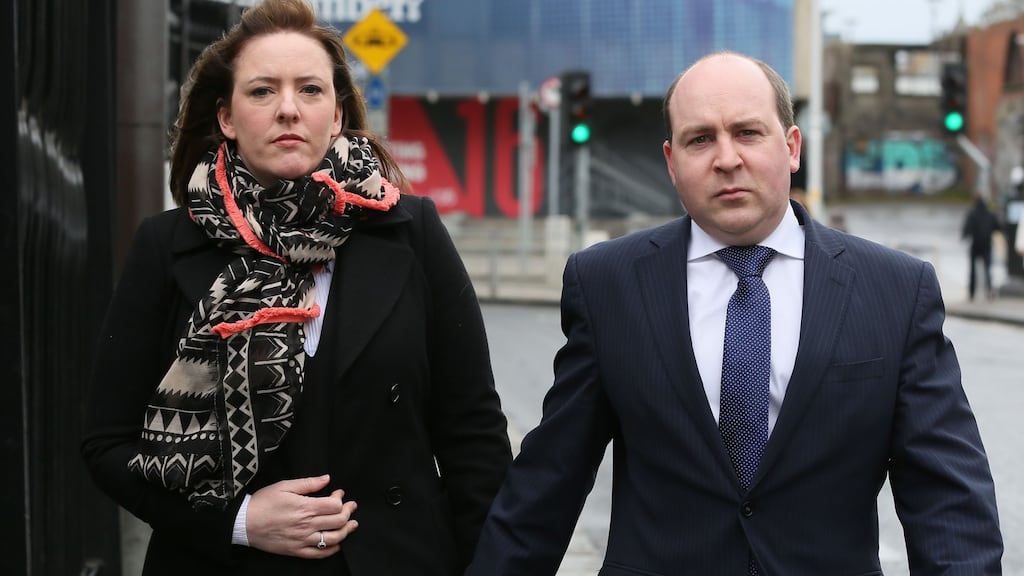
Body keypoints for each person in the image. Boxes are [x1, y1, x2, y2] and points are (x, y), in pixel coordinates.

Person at [466, 51, 1002, 575]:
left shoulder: (896, 290)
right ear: (672, 163)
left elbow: (948, 500)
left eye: (748, 133)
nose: (726, 159)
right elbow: (548, 483)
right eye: (701, 139)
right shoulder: (607, 284)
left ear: (792, 147)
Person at [80, 1, 511, 574]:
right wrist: (237, 520)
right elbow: (107, 443)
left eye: (310, 90)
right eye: (262, 91)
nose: (288, 109)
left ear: (335, 115)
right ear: (227, 117)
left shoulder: (413, 233)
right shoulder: (166, 245)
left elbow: (474, 435)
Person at [961, 196, 1001, 300]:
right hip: (987, 244)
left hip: (975, 245)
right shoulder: (990, 213)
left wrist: (964, 236)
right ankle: (989, 290)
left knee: (973, 270)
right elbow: (997, 226)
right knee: (988, 269)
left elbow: (967, 227)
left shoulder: (972, 213)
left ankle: (972, 292)